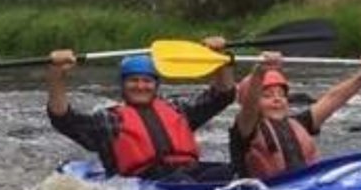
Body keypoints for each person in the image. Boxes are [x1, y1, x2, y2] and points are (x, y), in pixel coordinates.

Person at [47, 37, 236, 182]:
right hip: (144, 182)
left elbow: (222, 95)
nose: (140, 86)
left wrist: (221, 58)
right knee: (181, 181)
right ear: (122, 85)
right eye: (133, 80)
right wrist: (58, 76)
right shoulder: (108, 120)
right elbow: (63, 118)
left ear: (156, 85)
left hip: (187, 172)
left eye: (147, 81)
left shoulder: (177, 109)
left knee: (231, 172)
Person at [230, 51, 361, 180]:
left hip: (303, 186)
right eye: (267, 96)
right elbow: (250, 106)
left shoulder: (300, 123)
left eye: (281, 95)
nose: (277, 99)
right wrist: (259, 72)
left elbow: (333, 98)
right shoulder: (245, 129)